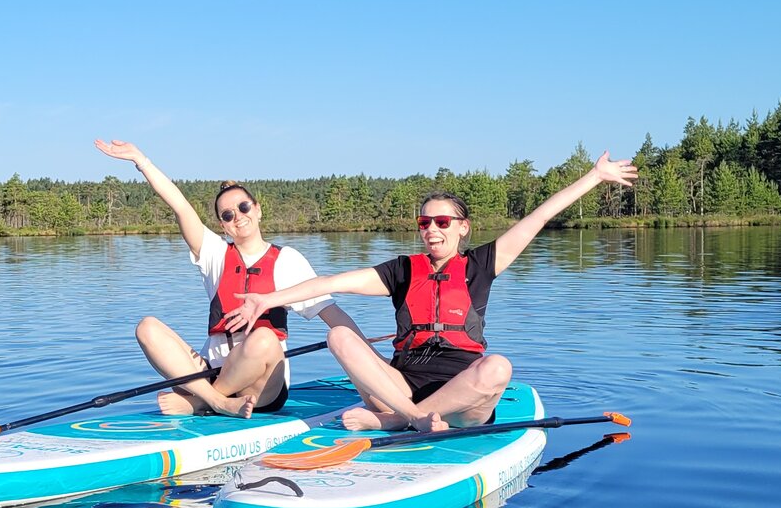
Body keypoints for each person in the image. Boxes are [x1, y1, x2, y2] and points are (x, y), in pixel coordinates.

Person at [224, 150, 638, 433]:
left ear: (463, 227)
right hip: (399, 386)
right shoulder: (402, 270)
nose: (433, 230)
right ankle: (408, 415)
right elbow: (330, 283)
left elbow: (540, 215)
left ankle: (403, 420)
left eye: (442, 221)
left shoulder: (479, 266)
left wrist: (594, 176)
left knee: (499, 368)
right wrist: (266, 299)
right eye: (425, 223)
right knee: (338, 336)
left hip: (463, 403)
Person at [92, 138, 360, 417]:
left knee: (265, 338)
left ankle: (201, 402)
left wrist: (373, 361)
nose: (238, 217)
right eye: (228, 214)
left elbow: (332, 314)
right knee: (147, 327)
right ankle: (216, 401)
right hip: (211, 372)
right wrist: (141, 161)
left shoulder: (288, 260)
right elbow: (181, 206)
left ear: (257, 209)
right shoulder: (214, 254)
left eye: (243, 208)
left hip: (262, 386)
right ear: (222, 225)